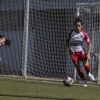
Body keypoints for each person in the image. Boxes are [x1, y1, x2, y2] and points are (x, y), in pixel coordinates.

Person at [66, 17, 94, 87]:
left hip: (81, 52)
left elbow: (90, 43)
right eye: (76, 26)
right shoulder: (71, 33)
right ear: (75, 26)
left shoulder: (84, 33)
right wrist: (70, 48)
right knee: (78, 68)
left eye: (79, 26)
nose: (78, 27)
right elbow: (67, 42)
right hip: (74, 53)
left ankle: (88, 73)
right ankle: (84, 81)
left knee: (86, 66)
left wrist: (88, 53)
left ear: (81, 26)